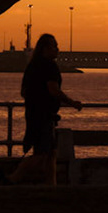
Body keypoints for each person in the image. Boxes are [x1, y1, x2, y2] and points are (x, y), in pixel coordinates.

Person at [11, 32, 81, 184]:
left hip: (33, 114)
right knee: (42, 155)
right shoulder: (49, 67)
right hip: (44, 116)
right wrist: (72, 103)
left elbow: (23, 92)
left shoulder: (32, 66)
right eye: (54, 46)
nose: (57, 49)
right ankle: (13, 178)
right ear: (45, 48)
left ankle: (51, 185)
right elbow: (54, 90)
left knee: (50, 154)